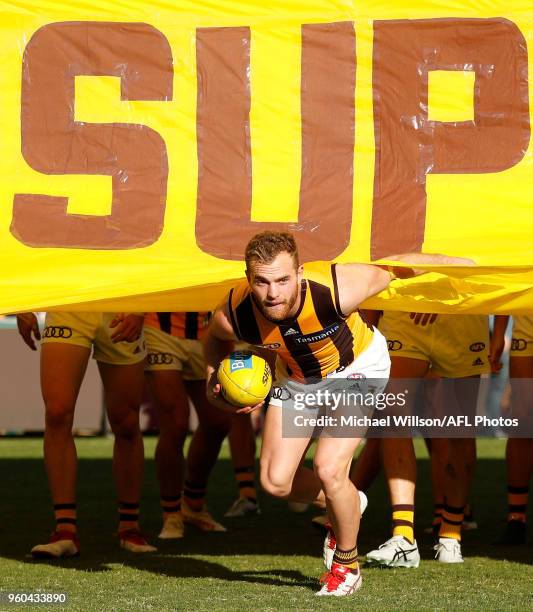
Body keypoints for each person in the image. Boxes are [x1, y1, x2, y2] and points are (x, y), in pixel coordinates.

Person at [203, 231, 471, 596]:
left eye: (282, 280)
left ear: (299, 272)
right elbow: (215, 340)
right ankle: (348, 502)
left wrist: (474, 262)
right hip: (297, 377)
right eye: (262, 282)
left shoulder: (337, 287)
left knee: (330, 469)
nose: (273, 293)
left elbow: (400, 267)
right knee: (275, 481)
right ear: (249, 279)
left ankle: (347, 564)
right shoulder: (236, 311)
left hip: (357, 370)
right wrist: (213, 380)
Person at [354, 312, 489, 566]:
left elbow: (491, 271)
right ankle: (403, 536)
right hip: (405, 315)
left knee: (459, 428)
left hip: (461, 316)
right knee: (393, 414)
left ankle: (451, 534)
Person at [16, 312, 155, 557]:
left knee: (126, 422)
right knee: (57, 413)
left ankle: (129, 527)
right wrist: (23, 306)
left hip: (121, 302)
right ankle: (65, 531)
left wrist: (140, 310)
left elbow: (158, 270)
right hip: (69, 304)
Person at [143, 311, 227, 537]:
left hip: (211, 332)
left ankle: (193, 503)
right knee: (175, 424)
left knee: (218, 422)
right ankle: (171, 513)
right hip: (159, 328)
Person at [491, 315, 533, 545]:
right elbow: (505, 278)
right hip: (527, 325)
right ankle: (516, 517)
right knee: (523, 421)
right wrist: (498, 333)